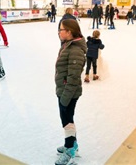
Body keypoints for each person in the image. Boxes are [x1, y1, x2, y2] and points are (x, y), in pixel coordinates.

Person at [55, 19, 86, 165]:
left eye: (61, 29)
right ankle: (73, 144)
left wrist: (65, 97)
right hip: (64, 89)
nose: (58, 32)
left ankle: (70, 151)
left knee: (67, 121)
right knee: (67, 119)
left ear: (70, 31)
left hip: (69, 92)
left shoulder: (75, 50)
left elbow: (73, 77)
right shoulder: (68, 45)